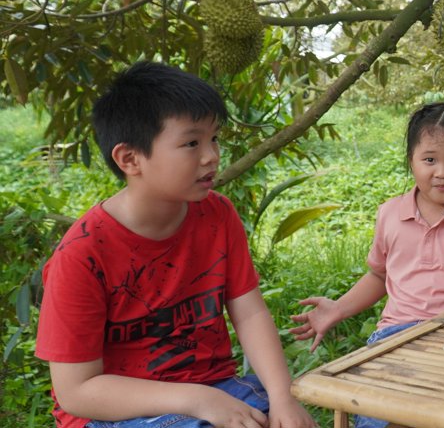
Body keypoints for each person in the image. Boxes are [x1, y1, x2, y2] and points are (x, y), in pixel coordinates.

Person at [35, 62, 316, 428]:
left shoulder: (217, 214)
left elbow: (249, 312)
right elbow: (76, 391)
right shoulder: (82, 256)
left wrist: (282, 396)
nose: (211, 155)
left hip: (214, 386)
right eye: (191, 142)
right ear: (130, 159)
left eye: (214, 138)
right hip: (116, 413)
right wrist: (196, 399)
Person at [291, 102, 444, 428]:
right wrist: (338, 309)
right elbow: (378, 275)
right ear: (411, 160)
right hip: (396, 337)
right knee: (381, 412)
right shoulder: (390, 214)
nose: (441, 172)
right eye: (429, 160)